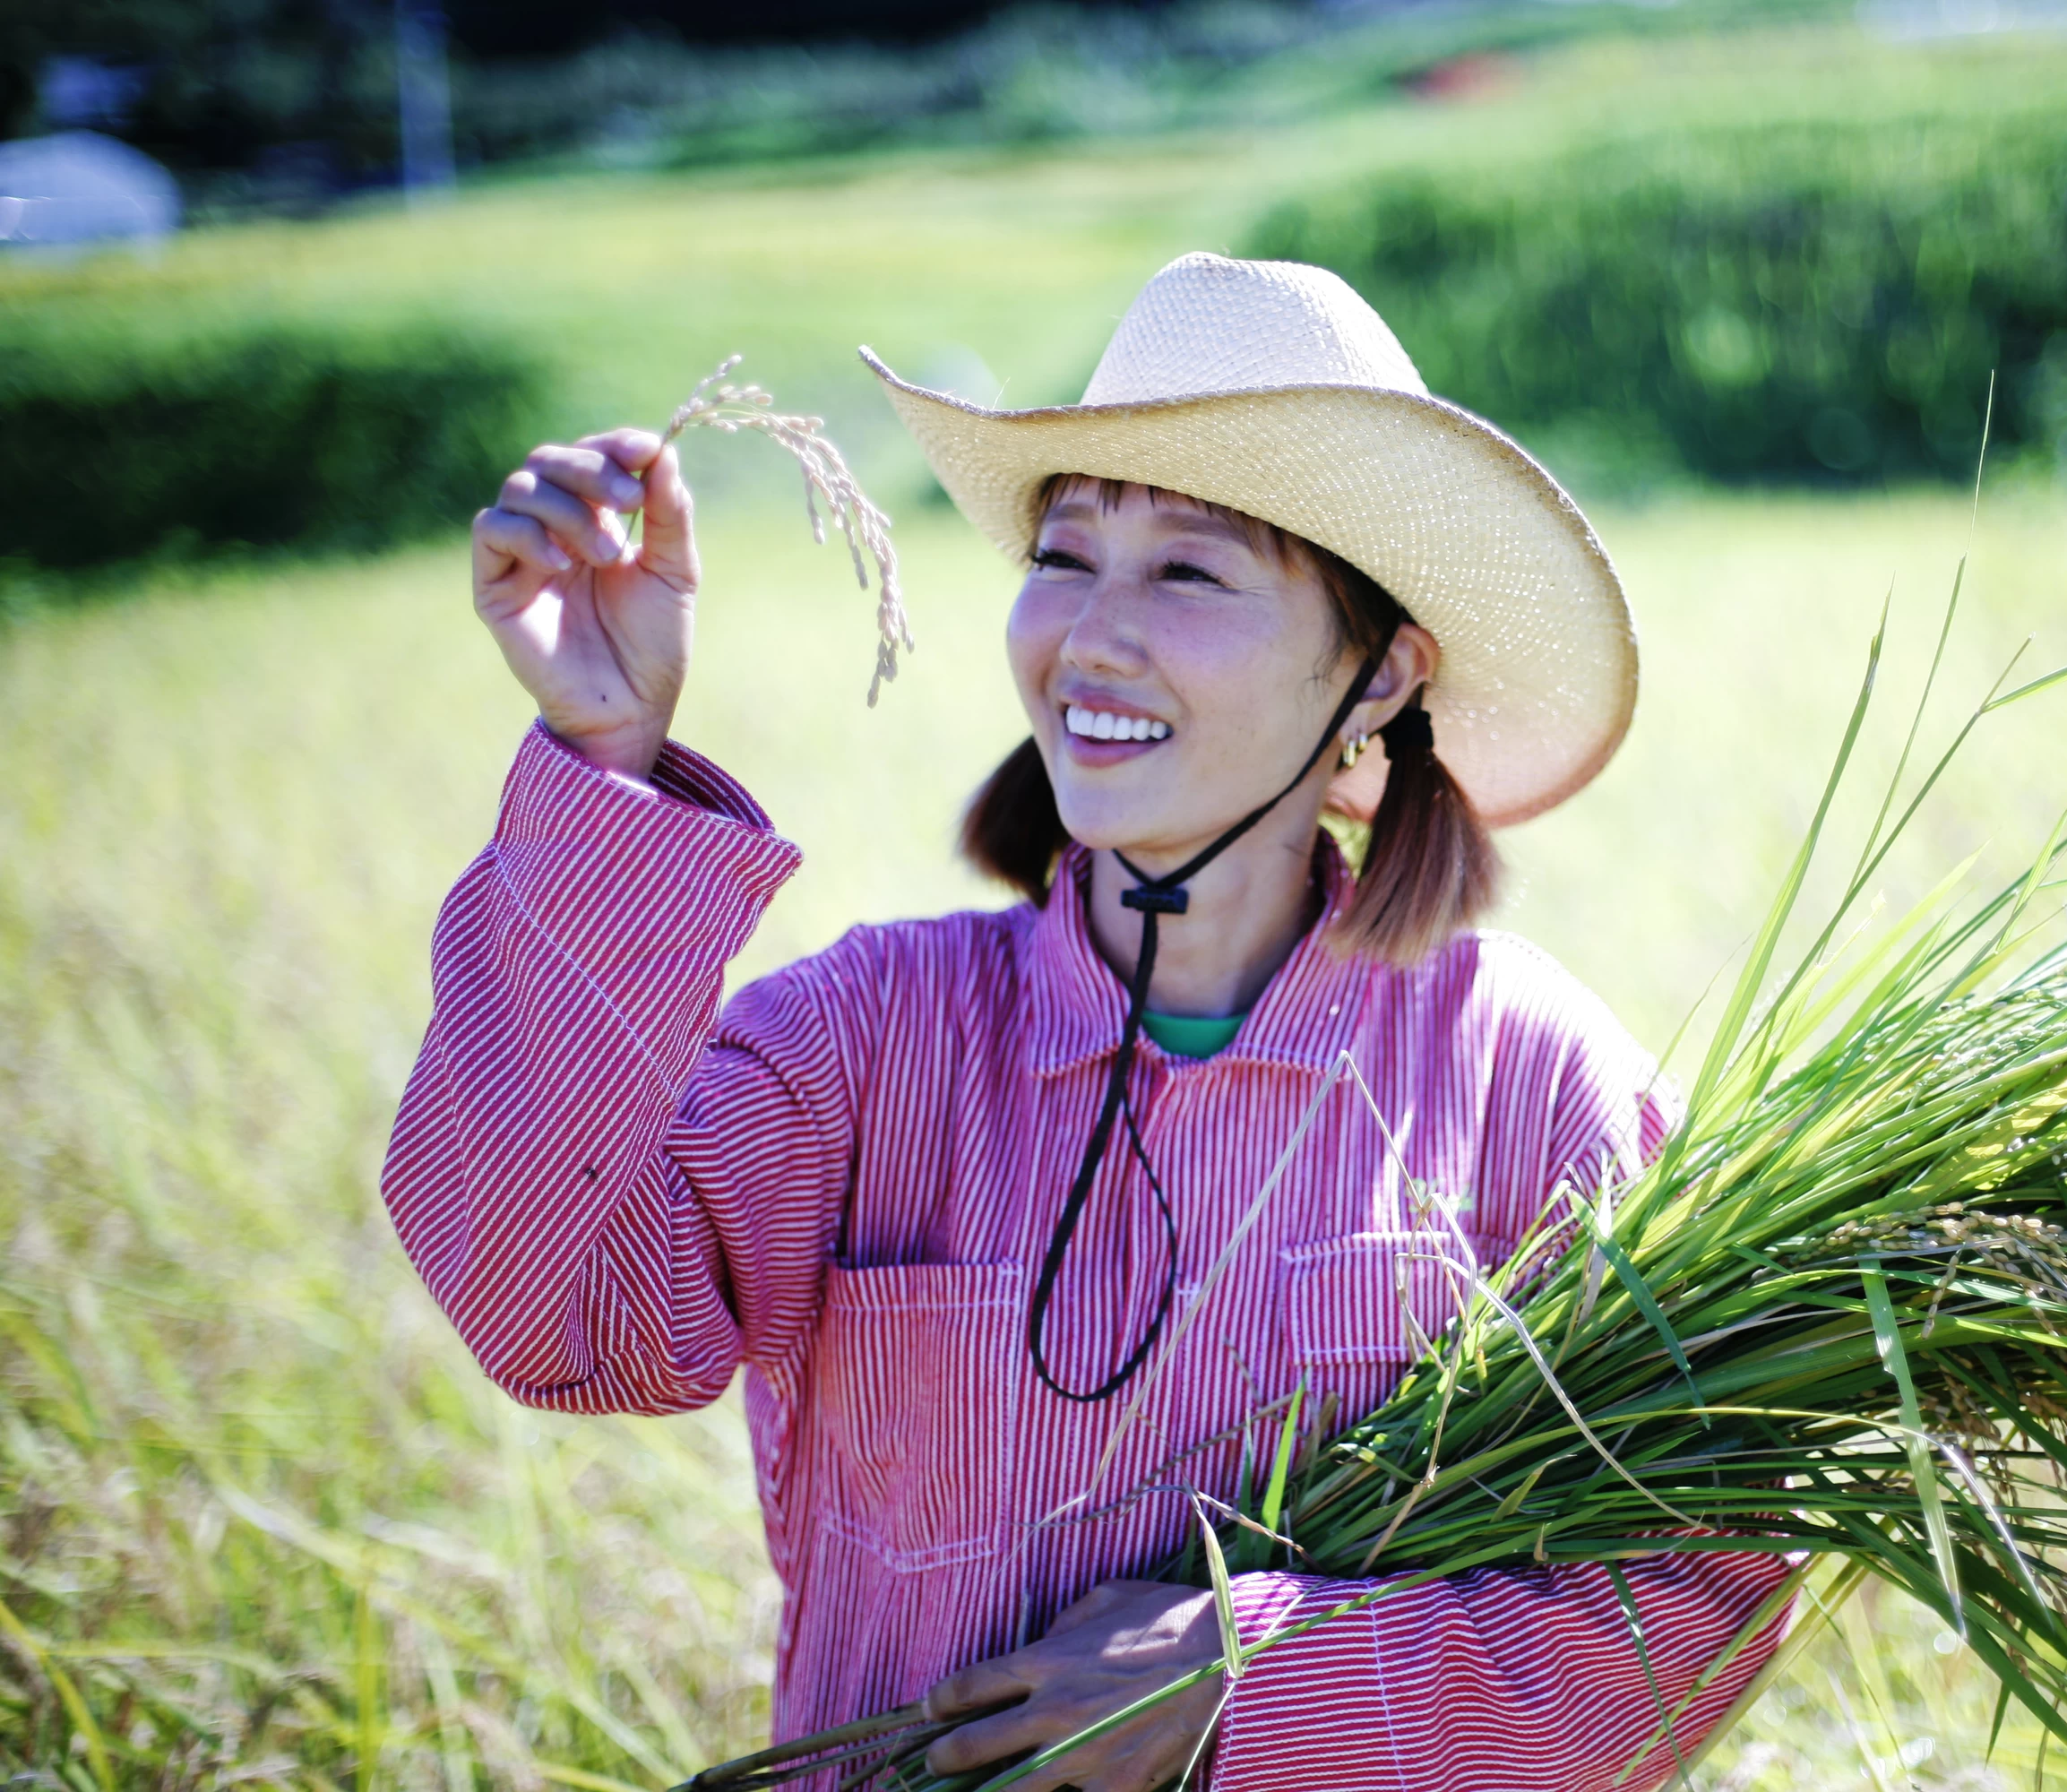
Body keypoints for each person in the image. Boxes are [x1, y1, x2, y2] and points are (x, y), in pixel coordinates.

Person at [385, 253, 1793, 1791]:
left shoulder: (1531, 1080)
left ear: (1377, 672)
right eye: (1066, 557)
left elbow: (1693, 1598)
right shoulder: (870, 1037)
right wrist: (601, 753)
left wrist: (1257, 1676)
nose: (1091, 639)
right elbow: (567, 1326)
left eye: (1189, 572)